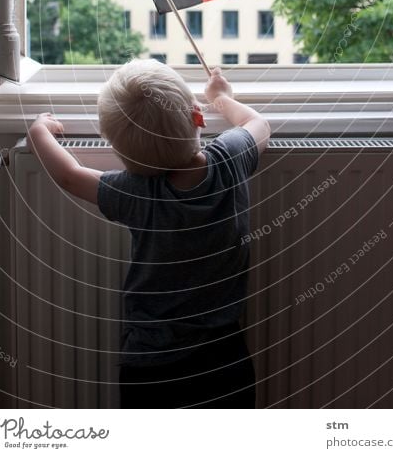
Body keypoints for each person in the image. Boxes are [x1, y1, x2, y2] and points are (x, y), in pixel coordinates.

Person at [27, 58, 270, 409]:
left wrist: (38, 131)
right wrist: (221, 97)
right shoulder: (229, 160)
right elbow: (257, 123)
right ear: (196, 116)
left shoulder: (135, 193)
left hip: (151, 365)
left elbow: (69, 175)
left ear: (121, 152)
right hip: (224, 356)